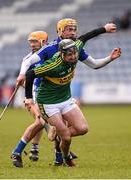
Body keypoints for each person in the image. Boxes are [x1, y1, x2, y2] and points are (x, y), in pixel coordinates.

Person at [13, 18, 117, 167]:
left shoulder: (76, 47)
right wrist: (24, 80)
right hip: (41, 91)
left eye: (74, 29)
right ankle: (19, 151)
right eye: (69, 29)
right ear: (60, 31)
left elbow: (87, 43)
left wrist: (104, 31)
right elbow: (29, 67)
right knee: (40, 122)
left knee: (69, 127)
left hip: (62, 94)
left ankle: (59, 154)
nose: (73, 32)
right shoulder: (50, 49)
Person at [11, 31, 50, 167]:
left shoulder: (50, 53)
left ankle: (34, 149)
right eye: (31, 42)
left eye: (35, 41)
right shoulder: (28, 59)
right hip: (34, 95)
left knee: (42, 122)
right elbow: (24, 80)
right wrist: (23, 85)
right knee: (42, 121)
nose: (32, 45)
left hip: (50, 94)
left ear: (43, 42)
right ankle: (19, 151)